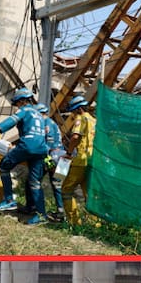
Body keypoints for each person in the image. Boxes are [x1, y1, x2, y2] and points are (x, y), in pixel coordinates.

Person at [0, 87, 48, 224]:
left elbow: (13, 120)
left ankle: (9, 200)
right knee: (35, 181)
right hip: (41, 148)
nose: (17, 105)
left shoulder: (25, 110)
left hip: (27, 145)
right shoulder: (39, 115)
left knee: (4, 166)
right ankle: (41, 215)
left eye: (17, 103)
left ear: (23, 101)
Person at [61, 95, 95, 225]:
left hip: (80, 160)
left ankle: (74, 222)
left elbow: (75, 137)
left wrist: (69, 152)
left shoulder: (81, 119)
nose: (73, 114)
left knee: (66, 189)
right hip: (92, 161)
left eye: (74, 111)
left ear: (79, 109)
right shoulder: (93, 120)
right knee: (88, 193)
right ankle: (94, 224)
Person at [37, 103, 66, 223]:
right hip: (62, 157)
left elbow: (48, 144)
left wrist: (46, 161)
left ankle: (35, 208)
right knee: (59, 186)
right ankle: (61, 212)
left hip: (53, 157)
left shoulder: (46, 123)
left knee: (35, 180)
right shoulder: (52, 122)